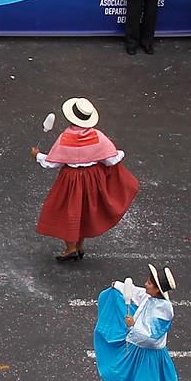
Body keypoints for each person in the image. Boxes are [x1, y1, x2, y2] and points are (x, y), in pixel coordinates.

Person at [33, 97, 138, 263]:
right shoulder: (98, 136)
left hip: (70, 180)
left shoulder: (65, 138)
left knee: (67, 211)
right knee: (85, 211)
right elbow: (111, 160)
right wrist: (121, 152)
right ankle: (79, 246)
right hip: (92, 179)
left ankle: (70, 248)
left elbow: (52, 163)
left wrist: (37, 155)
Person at [94, 267, 181, 381]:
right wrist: (118, 286)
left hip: (149, 355)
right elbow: (135, 292)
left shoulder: (164, 310)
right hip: (138, 350)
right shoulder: (150, 297)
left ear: (157, 289)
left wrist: (133, 325)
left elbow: (151, 337)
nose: (145, 284)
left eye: (149, 283)